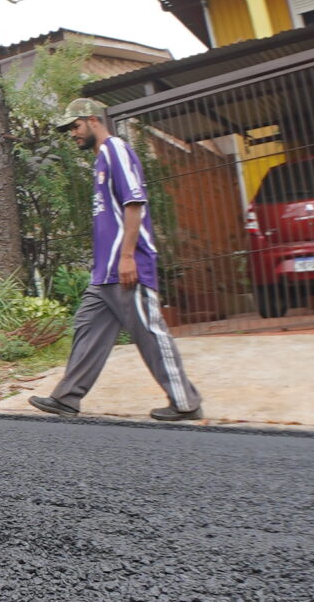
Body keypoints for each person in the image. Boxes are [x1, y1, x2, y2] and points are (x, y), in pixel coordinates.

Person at [30, 98, 203, 422]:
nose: (72, 134)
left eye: (76, 126)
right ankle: (67, 398)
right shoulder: (99, 161)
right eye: (69, 129)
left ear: (93, 120)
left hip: (128, 267)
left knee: (150, 334)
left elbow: (134, 203)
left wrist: (127, 257)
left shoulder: (116, 151)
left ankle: (186, 402)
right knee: (87, 328)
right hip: (104, 273)